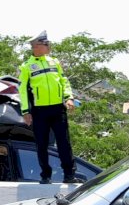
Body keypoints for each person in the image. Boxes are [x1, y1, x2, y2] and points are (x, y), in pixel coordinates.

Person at [18, 30, 82, 184]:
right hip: (39, 111)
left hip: (57, 109)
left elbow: (63, 81)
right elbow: (22, 90)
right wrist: (25, 111)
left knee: (64, 143)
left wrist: (69, 97)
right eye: (45, 44)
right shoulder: (26, 66)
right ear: (36, 47)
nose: (48, 46)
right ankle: (45, 175)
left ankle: (69, 174)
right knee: (42, 144)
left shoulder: (55, 62)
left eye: (47, 44)